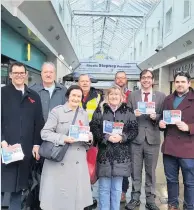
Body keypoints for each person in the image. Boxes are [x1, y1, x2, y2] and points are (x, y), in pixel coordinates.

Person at [39, 85, 93, 210]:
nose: (76, 98)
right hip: (60, 159)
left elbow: (86, 135)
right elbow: (45, 133)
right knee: (59, 199)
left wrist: (89, 139)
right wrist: (63, 138)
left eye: (79, 96)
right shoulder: (57, 111)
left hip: (78, 160)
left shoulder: (83, 114)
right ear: (68, 96)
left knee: (76, 200)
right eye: (73, 95)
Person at [1, 62, 44, 210]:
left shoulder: (34, 96)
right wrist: (2, 141)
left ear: (26, 75)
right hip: (6, 149)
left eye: (22, 73)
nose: (19, 76)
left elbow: (39, 122)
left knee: (19, 189)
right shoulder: (3, 93)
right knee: (4, 186)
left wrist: (36, 144)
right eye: (16, 73)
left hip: (25, 151)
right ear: (11, 75)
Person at [90, 85, 138, 210]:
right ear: (107, 96)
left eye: (117, 94)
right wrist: (105, 137)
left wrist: (122, 137)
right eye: (111, 94)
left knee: (117, 189)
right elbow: (94, 127)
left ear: (122, 96)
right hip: (104, 154)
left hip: (121, 156)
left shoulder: (128, 111)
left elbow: (134, 130)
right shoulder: (100, 110)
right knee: (104, 188)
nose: (114, 96)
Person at [125, 69, 166, 210]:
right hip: (135, 139)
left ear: (153, 80)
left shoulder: (161, 96)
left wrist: (157, 116)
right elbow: (126, 115)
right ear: (140, 80)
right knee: (135, 171)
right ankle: (135, 198)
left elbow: (165, 116)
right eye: (144, 77)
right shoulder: (132, 96)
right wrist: (132, 114)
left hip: (153, 140)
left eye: (149, 77)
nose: (146, 80)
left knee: (151, 172)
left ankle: (150, 199)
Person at [159, 72, 194, 210]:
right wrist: (161, 124)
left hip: (188, 147)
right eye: (177, 82)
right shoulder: (168, 99)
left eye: (182, 82)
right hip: (170, 147)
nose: (179, 84)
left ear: (189, 83)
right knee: (171, 180)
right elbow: (162, 118)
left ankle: (189, 206)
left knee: (190, 182)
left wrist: (189, 127)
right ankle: (173, 205)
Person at [78, 74, 102, 209]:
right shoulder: (73, 94)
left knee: (89, 168)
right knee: (77, 168)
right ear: (78, 82)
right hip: (75, 139)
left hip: (92, 139)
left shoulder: (98, 96)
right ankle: (79, 197)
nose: (85, 83)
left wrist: (94, 135)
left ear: (90, 82)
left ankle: (88, 197)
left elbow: (99, 116)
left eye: (87, 81)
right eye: (82, 81)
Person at [115, 71, 131, 202]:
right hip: (111, 133)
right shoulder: (109, 93)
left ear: (126, 80)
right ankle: (113, 190)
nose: (120, 80)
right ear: (115, 80)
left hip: (126, 134)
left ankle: (123, 191)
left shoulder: (130, 95)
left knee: (124, 164)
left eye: (123, 78)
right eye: (118, 78)